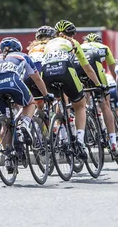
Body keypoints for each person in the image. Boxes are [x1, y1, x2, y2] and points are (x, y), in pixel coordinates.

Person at [42, 20, 104, 160]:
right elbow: (87, 68)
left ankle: (63, 138)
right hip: (64, 70)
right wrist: (98, 84)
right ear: (72, 35)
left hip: (46, 73)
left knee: (60, 101)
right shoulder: (73, 43)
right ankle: (80, 142)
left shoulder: (49, 44)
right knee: (80, 105)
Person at [0, 37, 53, 172]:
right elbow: (37, 79)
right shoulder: (23, 56)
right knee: (30, 103)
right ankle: (23, 125)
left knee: (6, 121)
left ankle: (8, 157)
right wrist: (46, 95)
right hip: (13, 83)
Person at [74, 33, 118, 158]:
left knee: (82, 102)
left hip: (77, 67)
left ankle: (88, 112)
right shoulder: (104, 47)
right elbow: (112, 68)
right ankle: (113, 144)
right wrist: (117, 83)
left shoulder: (80, 46)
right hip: (94, 68)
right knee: (105, 105)